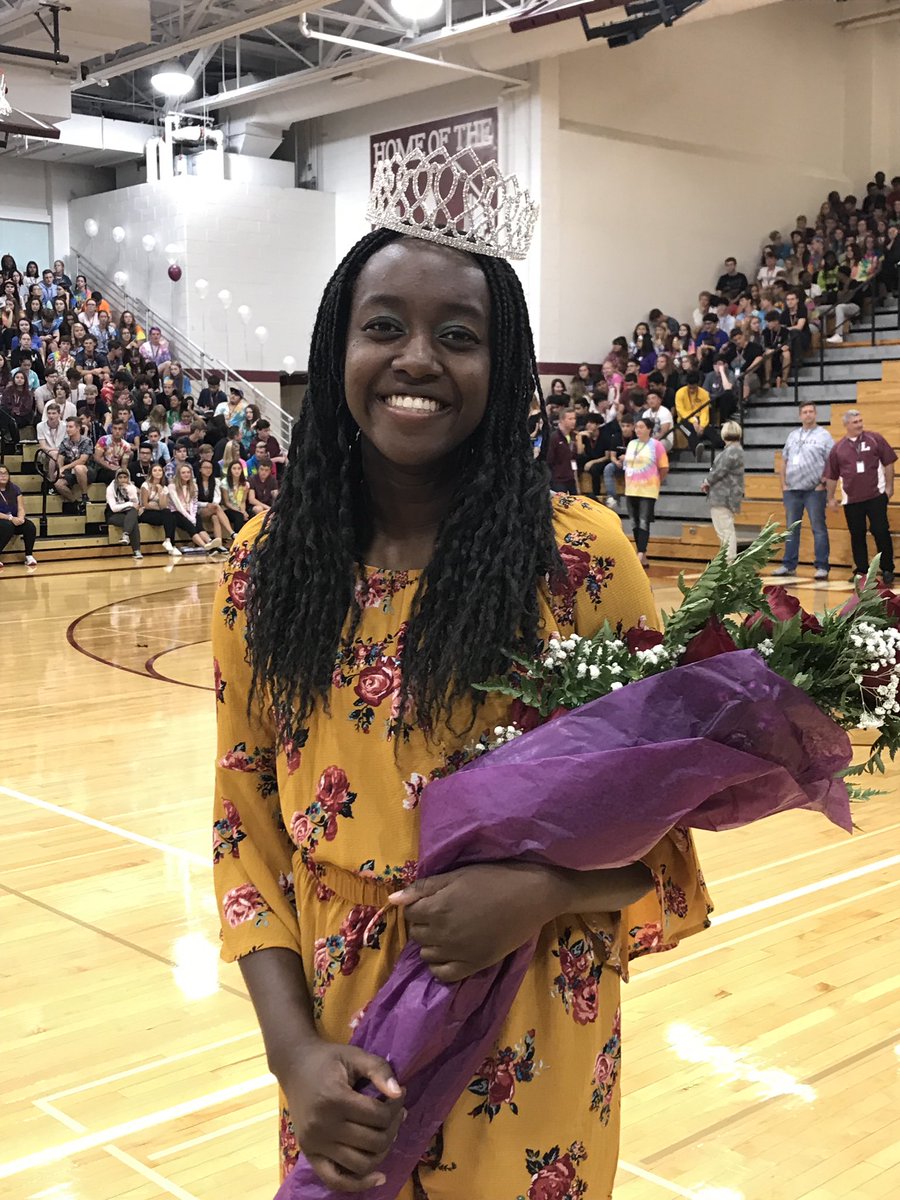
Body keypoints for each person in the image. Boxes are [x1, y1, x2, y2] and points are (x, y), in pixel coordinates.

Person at [211, 197, 708, 1197]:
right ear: (336, 346)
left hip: (530, 1008)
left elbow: (667, 823)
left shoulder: (578, 558)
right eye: (384, 325)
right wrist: (293, 1055)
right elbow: (243, 823)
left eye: (460, 336)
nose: (418, 358)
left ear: (507, 365)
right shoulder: (265, 567)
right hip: (338, 1024)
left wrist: (545, 890)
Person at [825, 409, 896, 584]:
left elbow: (888, 462)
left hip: (875, 495)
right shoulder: (838, 448)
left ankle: (887, 568)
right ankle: (862, 571)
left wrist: (889, 487)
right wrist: (831, 497)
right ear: (846, 425)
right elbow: (832, 476)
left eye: (860, 421)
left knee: (880, 531)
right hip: (852, 500)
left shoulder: (875, 438)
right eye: (855, 422)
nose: (859, 424)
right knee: (857, 535)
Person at [773, 402, 834, 580]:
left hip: (814, 490)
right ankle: (788, 564)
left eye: (811, 411)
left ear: (815, 414)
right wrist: (783, 484)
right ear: (800, 415)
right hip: (792, 490)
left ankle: (822, 566)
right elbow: (784, 460)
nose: (808, 415)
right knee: (791, 529)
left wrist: (823, 482)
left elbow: (832, 462)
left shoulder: (824, 436)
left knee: (818, 528)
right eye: (804, 412)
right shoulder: (793, 435)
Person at [623, 415, 668, 568]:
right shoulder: (631, 444)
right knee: (634, 522)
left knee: (643, 521)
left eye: (641, 427)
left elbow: (664, 467)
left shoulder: (656, 445)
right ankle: (643, 555)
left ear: (649, 429)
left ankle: (640, 553)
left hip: (647, 489)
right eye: (636, 427)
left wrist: (655, 481)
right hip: (631, 488)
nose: (638, 430)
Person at [700, 421, 745, 563]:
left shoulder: (732, 451)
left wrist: (707, 481)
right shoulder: (734, 449)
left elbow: (720, 470)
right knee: (725, 530)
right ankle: (727, 559)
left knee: (725, 530)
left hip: (723, 495)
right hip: (726, 495)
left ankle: (728, 561)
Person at [167, 462, 223, 554]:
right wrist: (189, 518)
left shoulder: (194, 486)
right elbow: (178, 505)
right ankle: (205, 547)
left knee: (198, 525)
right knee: (190, 526)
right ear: (179, 474)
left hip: (191, 511)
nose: (186, 475)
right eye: (183, 473)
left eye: (188, 472)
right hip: (177, 512)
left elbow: (194, 503)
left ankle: (210, 542)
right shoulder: (172, 487)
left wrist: (192, 516)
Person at [138, 462, 182, 556]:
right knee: (168, 514)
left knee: (171, 516)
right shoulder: (145, 485)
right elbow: (145, 505)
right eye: (155, 470)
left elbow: (163, 506)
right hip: (145, 513)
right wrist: (156, 507)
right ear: (151, 473)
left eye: (159, 470)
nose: (157, 472)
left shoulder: (164, 488)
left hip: (159, 513)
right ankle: (172, 545)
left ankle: (168, 541)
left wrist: (160, 492)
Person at [0, 462, 38, 567]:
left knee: (29, 526)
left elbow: (21, 507)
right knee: (7, 527)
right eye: (0, 473)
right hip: (4, 519)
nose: (3, 476)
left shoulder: (14, 488)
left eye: (5, 473)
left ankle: (29, 556)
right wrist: (10, 518)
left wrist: (21, 518)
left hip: (13, 519)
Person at [105, 468, 143, 560]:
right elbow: (114, 508)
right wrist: (130, 504)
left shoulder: (131, 487)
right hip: (113, 514)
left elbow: (136, 504)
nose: (122, 480)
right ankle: (136, 550)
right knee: (133, 522)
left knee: (132, 515)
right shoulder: (110, 488)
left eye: (125, 477)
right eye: (120, 477)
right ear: (116, 478)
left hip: (128, 513)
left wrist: (130, 490)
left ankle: (126, 535)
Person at [601, 413, 635, 510]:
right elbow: (612, 455)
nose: (625, 429)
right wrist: (616, 462)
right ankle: (612, 496)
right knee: (608, 468)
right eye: (623, 426)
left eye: (628, 426)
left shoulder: (636, 437)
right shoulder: (616, 436)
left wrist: (628, 457)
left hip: (633, 464)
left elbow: (641, 456)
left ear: (633, 426)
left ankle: (632, 496)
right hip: (620, 464)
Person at [196, 457, 234, 543]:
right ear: (200, 469)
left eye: (210, 468)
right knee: (216, 508)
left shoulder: (216, 481)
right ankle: (231, 532)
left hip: (213, 508)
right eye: (205, 468)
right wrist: (206, 505)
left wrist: (213, 504)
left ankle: (218, 543)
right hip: (199, 509)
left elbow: (217, 497)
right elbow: (194, 501)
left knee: (215, 517)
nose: (208, 470)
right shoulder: (195, 482)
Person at [56, 416, 92, 503]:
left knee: (78, 468)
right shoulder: (65, 442)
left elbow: (82, 460)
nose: (68, 429)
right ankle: (76, 503)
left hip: (86, 470)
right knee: (58, 484)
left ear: (78, 428)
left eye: (71, 427)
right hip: (70, 470)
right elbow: (60, 457)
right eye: (67, 427)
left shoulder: (86, 441)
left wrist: (64, 468)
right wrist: (60, 469)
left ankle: (84, 496)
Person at [547, 408, 579, 494]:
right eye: (570, 419)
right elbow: (549, 460)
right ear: (562, 420)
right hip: (558, 479)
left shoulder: (574, 436)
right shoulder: (554, 438)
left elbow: (576, 456)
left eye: (574, 418)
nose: (573, 421)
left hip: (571, 477)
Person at [220, 460, 249, 531]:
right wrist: (240, 511)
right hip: (228, 508)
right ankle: (237, 537)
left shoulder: (245, 484)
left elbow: (243, 501)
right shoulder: (224, 483)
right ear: (230, 470)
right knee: (239, 516)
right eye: (234, 468)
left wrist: (243, 511)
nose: (237, 471)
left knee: (249, 515)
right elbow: (226, 503)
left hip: (239, 507)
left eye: (239, 468)